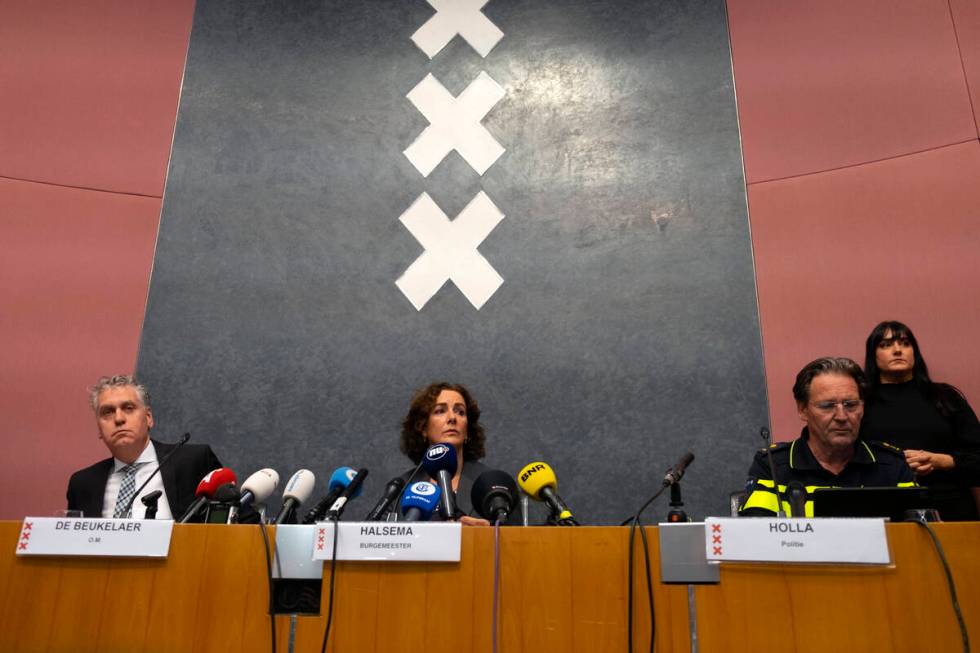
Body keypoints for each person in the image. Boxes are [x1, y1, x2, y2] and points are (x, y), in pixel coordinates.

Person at [740, 357, 916, 517]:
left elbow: (917, 539)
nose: (841, 416)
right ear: (803, 410)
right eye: (827, 406)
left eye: (850, 405)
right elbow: (755, 540)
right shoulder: (772, 465)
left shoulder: (892, 465)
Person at [861, 321, 980, 521]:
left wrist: (941, 461)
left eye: (905, 343)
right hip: (883, 509)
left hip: (950, 508)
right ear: (873, 355)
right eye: (886, 344)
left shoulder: (945, 398)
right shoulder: (860, 403)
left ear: (915, 352)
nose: (898, 350)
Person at [66, 375, 222, 519]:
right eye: (108, 412)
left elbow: (234, 521)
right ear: (99, 428)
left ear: (148, 418)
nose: (119, 419)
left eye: (128, 408)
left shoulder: (193, 462)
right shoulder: (82, 484)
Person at [396, 382, 497, 526]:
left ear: (467, 430)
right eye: (440, 411)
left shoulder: (492, 484)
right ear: (423, 427)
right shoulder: (401, 488)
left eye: (460, 412)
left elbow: (517, 538)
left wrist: (486, 535)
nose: (452, 418)